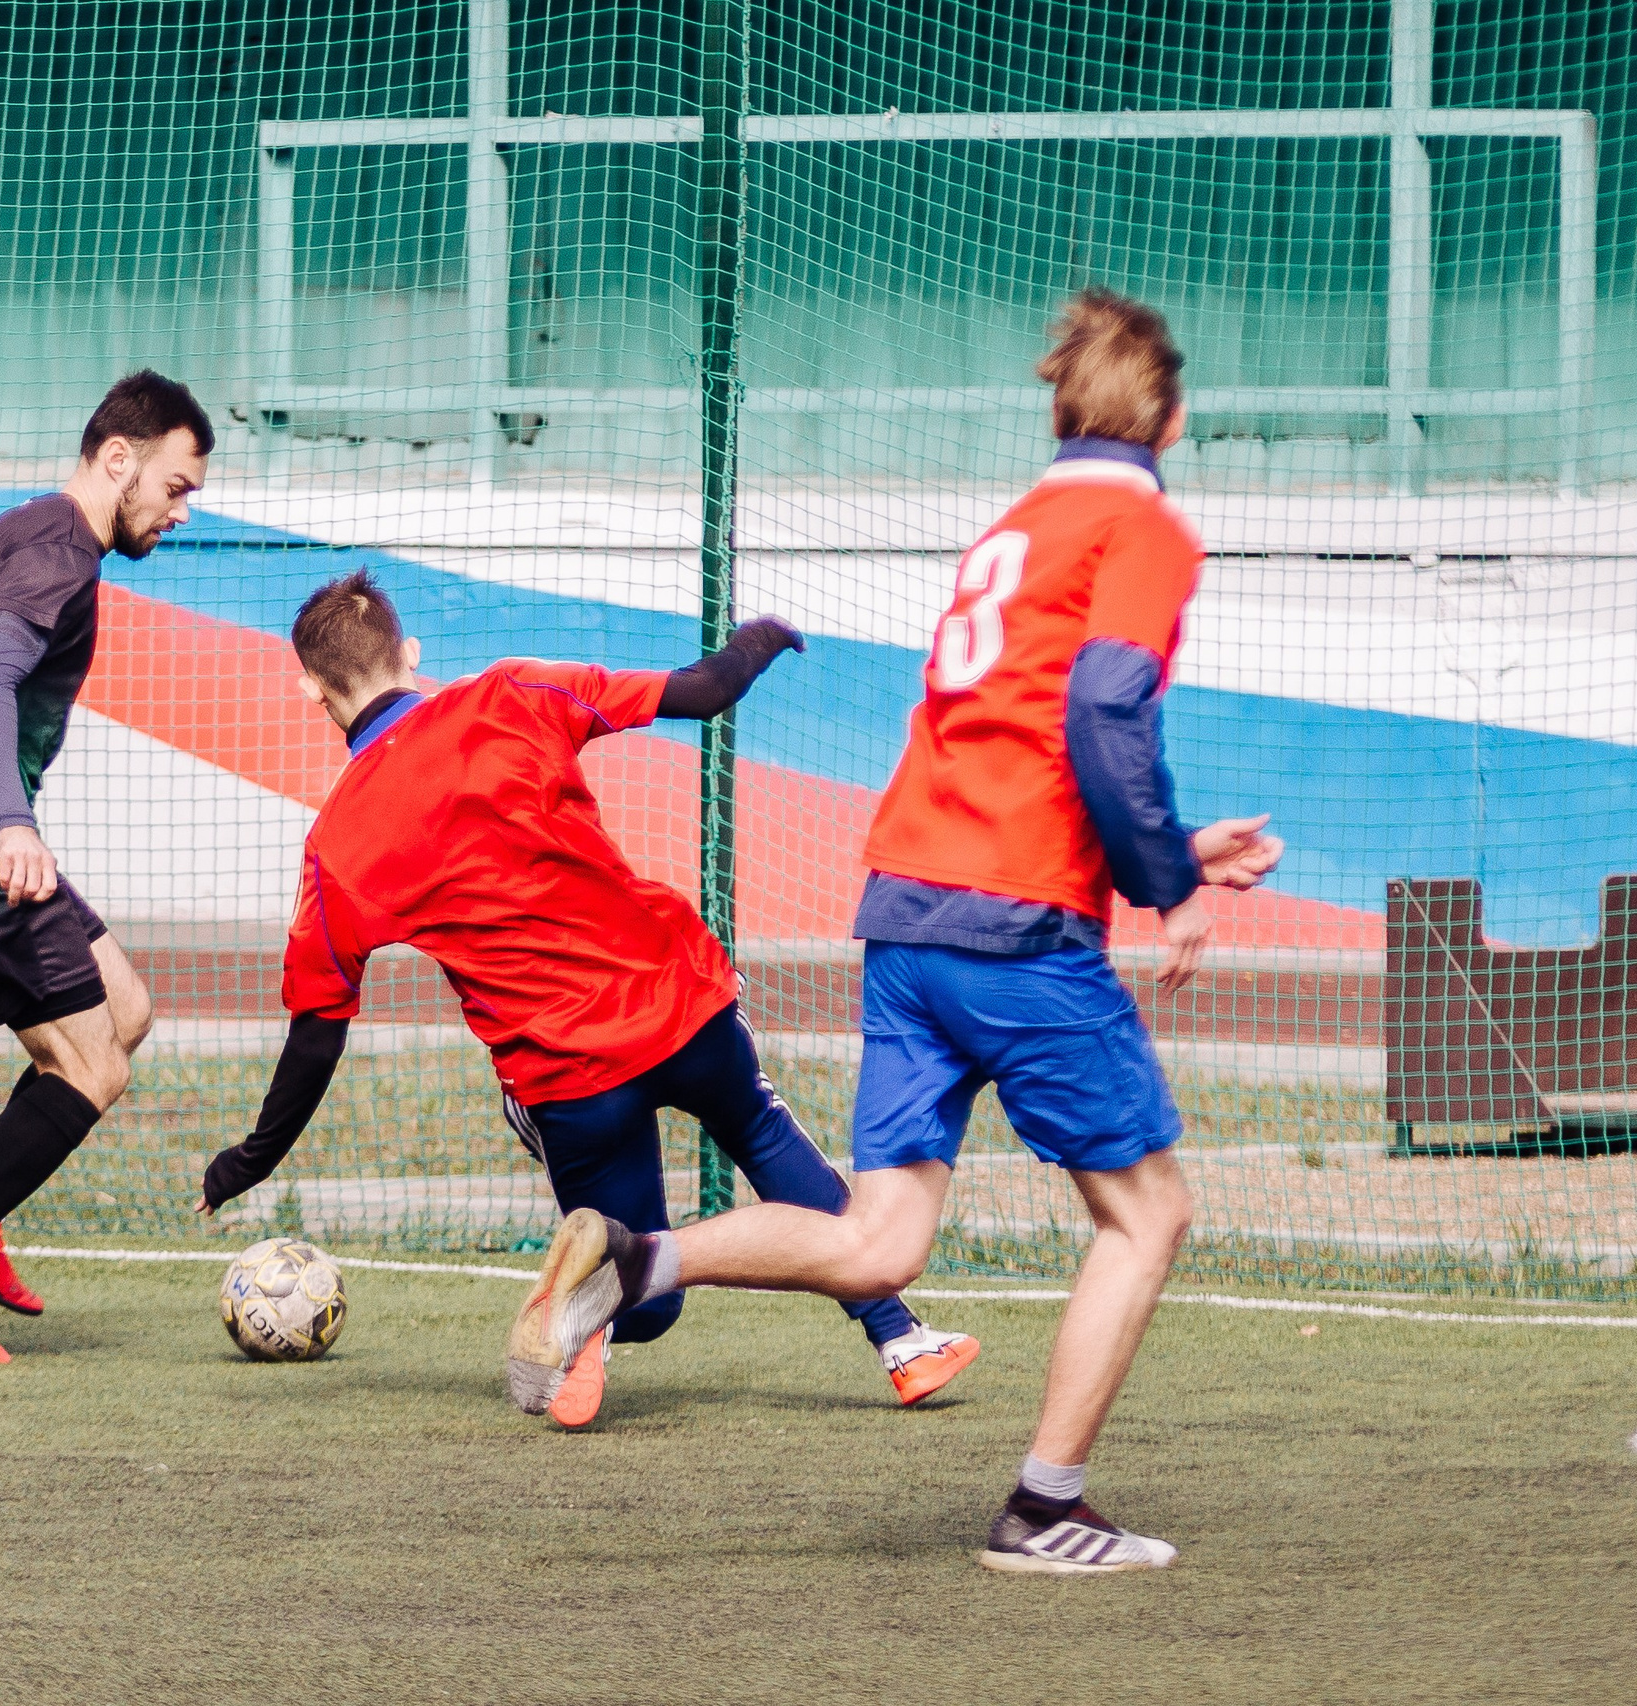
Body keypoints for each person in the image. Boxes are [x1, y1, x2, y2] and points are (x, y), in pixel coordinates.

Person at [504, 289, 1283, 1568]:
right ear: (1173, 419)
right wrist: (1164, 883)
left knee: (882, 1237)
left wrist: (1171, 849)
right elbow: (1101, 713)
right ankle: (1042, 1506)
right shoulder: (1141, 526)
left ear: (1058, 410)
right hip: (1017, 928)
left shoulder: (1013, 529)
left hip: (910, 910)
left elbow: (1014, 738)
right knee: (1147, 1216)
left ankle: (639, 1261)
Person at [196, 570, 980, 1427]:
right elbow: (702, 691)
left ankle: (583, 1337)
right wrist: (756, 639)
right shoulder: (510, 692)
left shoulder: (336, 843)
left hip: (566, 1073)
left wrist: (252, 1158)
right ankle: (901, 1340)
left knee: (640, 1290)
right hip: (680, 1006)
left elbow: (317, 1034)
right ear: (408, 654)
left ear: (312, 687)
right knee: (758, 1129)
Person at [0, 370, 214, 1362]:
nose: (179, 510)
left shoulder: (20, 526)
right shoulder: (60, 547)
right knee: (93, 1062)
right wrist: (4, 829)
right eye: (176, 486)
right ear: (119, 458)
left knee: (126, 1007)